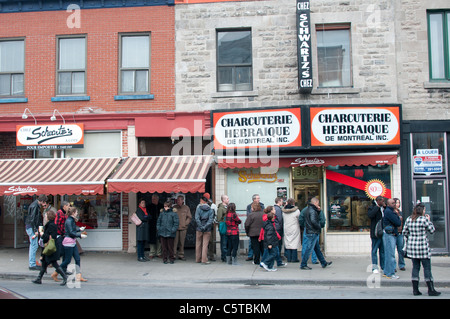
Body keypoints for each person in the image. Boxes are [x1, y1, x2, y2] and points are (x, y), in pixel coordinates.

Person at [403, 203, 440, 296]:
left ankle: (415, 290)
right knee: (427, 268)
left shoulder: (409, 219)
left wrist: (412, 237)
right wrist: (429, 220)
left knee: (415, 268)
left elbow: (404, 232)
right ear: (422, 211)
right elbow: (432, 230)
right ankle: (431, 289)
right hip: (423, 247)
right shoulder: (423, 220)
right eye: (424, 210)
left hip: (412, 248)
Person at [32, 210, 67, 286]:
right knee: (44, 263)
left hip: (51, 248)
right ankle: (39, 279)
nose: (44, 217)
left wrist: (42, 234)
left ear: (48, 217)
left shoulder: (51, 225)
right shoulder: (49, 225)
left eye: (45, 216)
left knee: (54, 264)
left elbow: (51, 237)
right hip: (48, 248)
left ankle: (65, 277)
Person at [300, 197, 332, 270]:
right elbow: (314, 221)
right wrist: (319, 227)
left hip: (310, 231)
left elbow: (303, 219)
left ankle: (323, 262)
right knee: (309, 249)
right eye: (318, 203)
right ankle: (303, 264)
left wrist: (319, 211)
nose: (318, 204)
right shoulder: (312, 211)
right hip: (312, 232)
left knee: (317, 248)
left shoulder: (308, 209)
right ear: (315, 203)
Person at [60, 207, 88, 282]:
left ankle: (78, 276)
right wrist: (80, 235)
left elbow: (72, 229)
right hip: (69, 242)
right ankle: (57, 270)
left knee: (77, 258)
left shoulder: (71, 220)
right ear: (73, 213)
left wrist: (79, 229)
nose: (77, 213)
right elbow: (71, 232)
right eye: (76, 212)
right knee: (67, 260)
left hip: (72, 241)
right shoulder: (69, 220)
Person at [25, 194, 47, 271]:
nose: (45, 204)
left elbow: (37, 220)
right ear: (42, 201)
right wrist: (35, 231)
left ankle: (32, 263)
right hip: (32, 228)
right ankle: (32, 264)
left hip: (30, 227)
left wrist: (40, 231)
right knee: (34, 245)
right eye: (44, 202)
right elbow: (33, 219)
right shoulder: (35, 206)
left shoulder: (35, 205)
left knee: (33, 245)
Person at [382, 198, 402, 279]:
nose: (395, 204)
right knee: (391, 255)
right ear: (389, 204)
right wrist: (397, 217)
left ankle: (387, 272)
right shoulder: (390, 211)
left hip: (389, 234)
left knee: (388, 254)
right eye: (393, 203)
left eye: (395, 203)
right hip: (390, 234)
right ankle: (390, 273)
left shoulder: (388, 211)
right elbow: (398, 223)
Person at [51, 200, 70, 282]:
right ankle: (60, 270)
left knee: (65, 253)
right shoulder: (59, 213)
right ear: (64, 206)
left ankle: (64, 269)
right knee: (62, 252)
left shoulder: (65, 214)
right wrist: (62, 233)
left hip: (63, 235)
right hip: (60, 236)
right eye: (68, 206)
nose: (69, 207)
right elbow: (57, 224)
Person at [367, 196, 386, 273]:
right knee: (374, 250)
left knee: (382, 251)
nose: (383, 202)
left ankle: (383, 266)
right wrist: (377, 207)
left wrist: (385, 207)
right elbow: (370, 215)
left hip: (382, 232)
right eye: (382, 201)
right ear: (378, 201)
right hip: (375, 233)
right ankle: (374, 267)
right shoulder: (372, 207)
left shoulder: (384, 208)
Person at [195, 196, 214, 264]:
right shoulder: (210, 210)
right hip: (207, 229)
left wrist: (201, 226)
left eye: (200, 201)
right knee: (205, 245)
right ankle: (204, 259)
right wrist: (205, 226)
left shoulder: (198, 209)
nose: (200, 202)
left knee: (198, 244)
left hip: (199, 229)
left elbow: (197, 218)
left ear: (203, 201)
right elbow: (210, 220)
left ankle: (198, 259)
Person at [245, 194, 264, 261]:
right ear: (254, 199)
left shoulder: (262, 205)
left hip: (257, 229)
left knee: (260, 244)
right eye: (257, 198)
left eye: (259, 198)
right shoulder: (249, 206)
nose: (259, 199)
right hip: (253, 227)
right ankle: (250, 255)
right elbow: (248, 217)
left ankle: (260, 257)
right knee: (252, 244)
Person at [173, 195, 192, 261]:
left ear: (182, 200)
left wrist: (185, 224)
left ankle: (181, 254)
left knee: (182, 242)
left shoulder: (186, 208)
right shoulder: (174, 207)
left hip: (183, 228)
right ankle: (174, 255)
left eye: (179, 200)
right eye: (177, 200)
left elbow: (189, 217)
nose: (178, 201)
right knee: (174, 242)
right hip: (175, 228)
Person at [282, 198, 300, 262]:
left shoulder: (284, 212)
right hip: (294, 227)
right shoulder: (297, 211)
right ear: (293, 203)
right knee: (294, 243)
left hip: (286, 227)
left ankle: (289, 258)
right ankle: (294, 258)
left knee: (288, 242)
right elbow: (299, 219)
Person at [148, 194, 163, 259]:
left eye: (154, 199)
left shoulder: (161, 206)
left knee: (159, 239)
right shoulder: (149, 206)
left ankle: (159, 252)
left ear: (157, 199)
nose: (152, 200)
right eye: (152, 199)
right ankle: (152, 252)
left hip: (160, 225)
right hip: (152, 225)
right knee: (152, 239)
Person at [204, 193, 218, 262]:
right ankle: (208, 255)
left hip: (208, 225)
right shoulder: (213, 206)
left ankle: (208, 255)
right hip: (208, 225)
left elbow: (216, 215)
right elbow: (216, 215)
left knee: (210, 241)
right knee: (210, 241)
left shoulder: (213, 206)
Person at [393, 198, 406, 271]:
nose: (398, 204)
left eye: (398, 203)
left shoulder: (400, 213)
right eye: (396, 203)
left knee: (400, 250)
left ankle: (401, 264)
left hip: (400, 233)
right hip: (394, 233)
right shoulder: (391, 212)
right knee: (392, 250)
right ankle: (393, 266)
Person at [216, 195, 229, 262]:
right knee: (224, 242)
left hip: (228, 227)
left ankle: (226, 256)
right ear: (223, 200)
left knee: (227, 243)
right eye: (227, 199)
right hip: (224, 227)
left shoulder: (227, 207)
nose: (228, 200)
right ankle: (224, 256)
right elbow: (219, 219)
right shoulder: (221, 208)